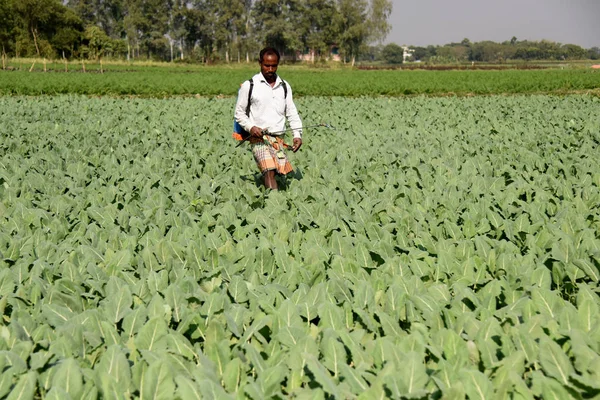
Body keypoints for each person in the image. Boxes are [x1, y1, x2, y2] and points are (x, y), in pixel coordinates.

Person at [234, 47, 303, 190]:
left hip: (278, 138)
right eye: (267, 65)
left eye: (274, 65)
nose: (270, 69)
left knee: (278, 171)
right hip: (258, 139)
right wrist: (251, 127)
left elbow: (291, 112)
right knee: (269, 171)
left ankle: (268, 188)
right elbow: (239, 113)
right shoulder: (250, 85)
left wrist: (297, 134)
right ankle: (275, 204)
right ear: (260, 63)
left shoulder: (284, 86)